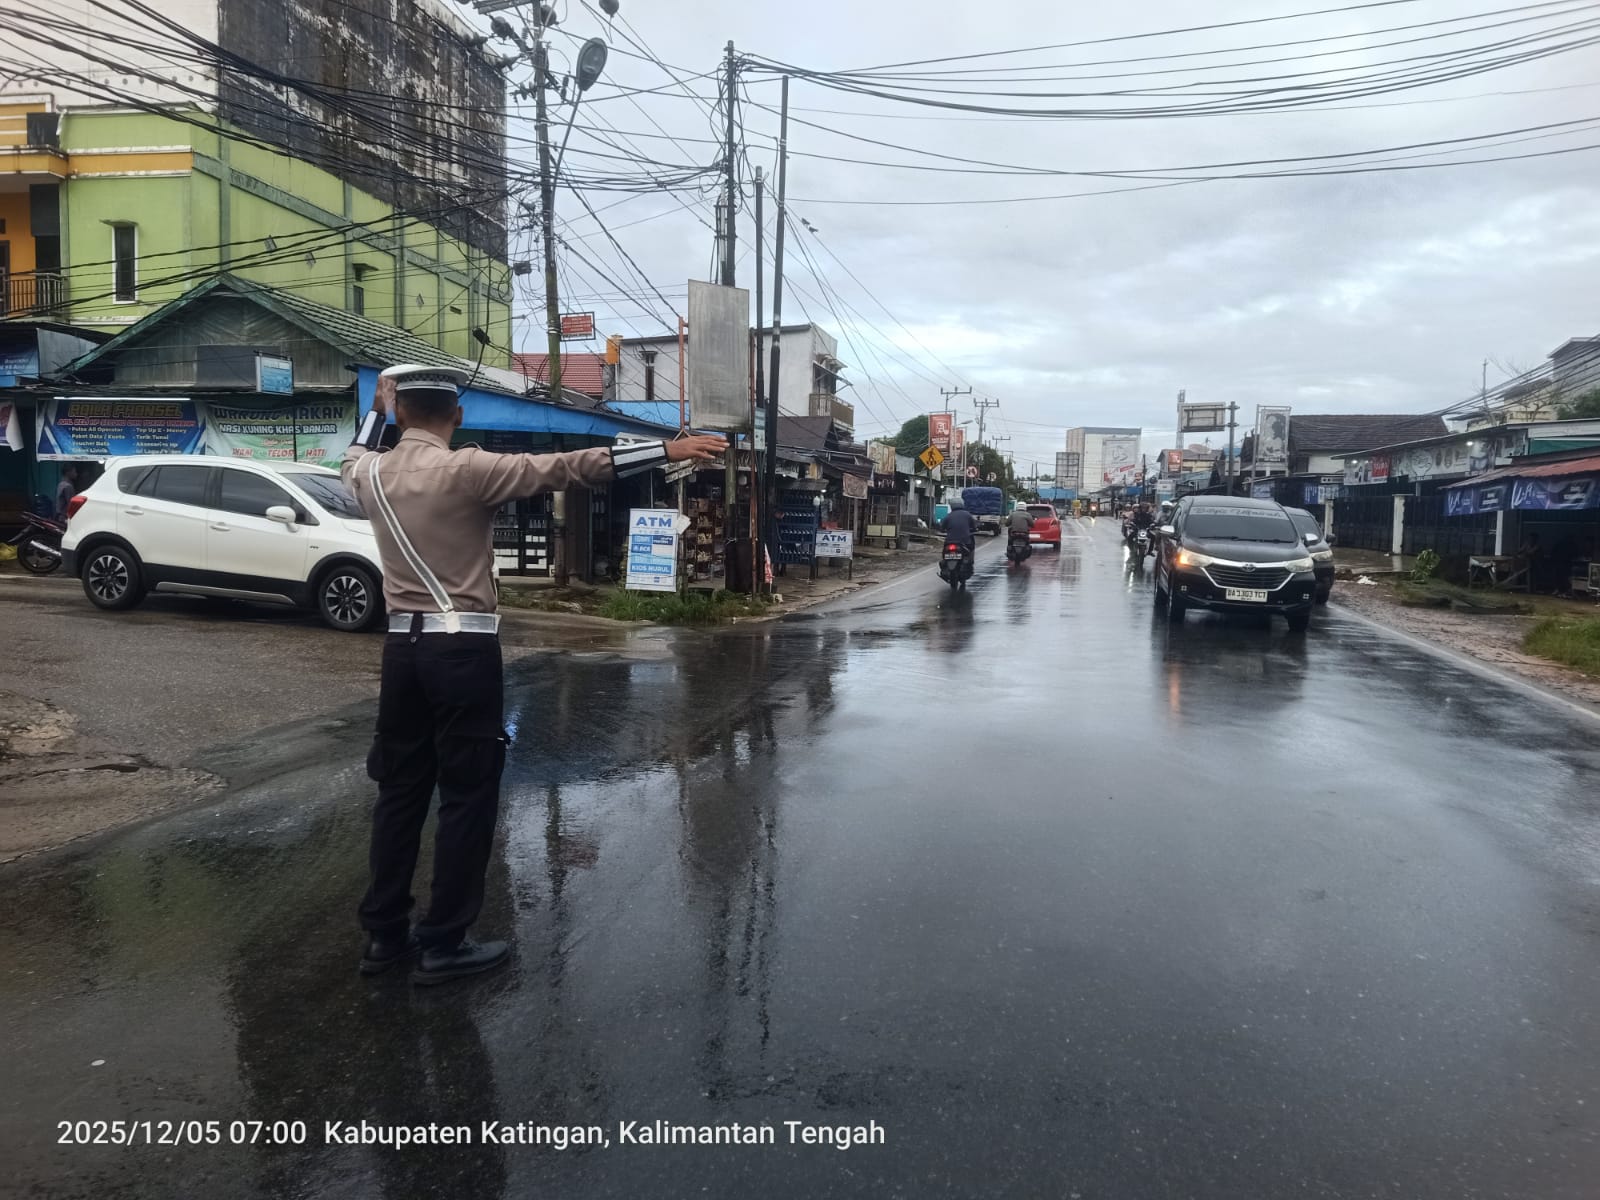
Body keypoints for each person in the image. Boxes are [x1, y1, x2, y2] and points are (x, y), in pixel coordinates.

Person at [342, 364, 725, 985]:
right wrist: (666, 448)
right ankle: (442, 943)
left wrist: (380, 412)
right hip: (460, 653)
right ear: (457, 415)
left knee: (399, 791)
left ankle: (384, 937)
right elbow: (571, 466)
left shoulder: (367, 472)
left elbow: (356, 450)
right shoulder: (468, 468)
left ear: (402, 412)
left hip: (400, 652)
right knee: (467, 794)